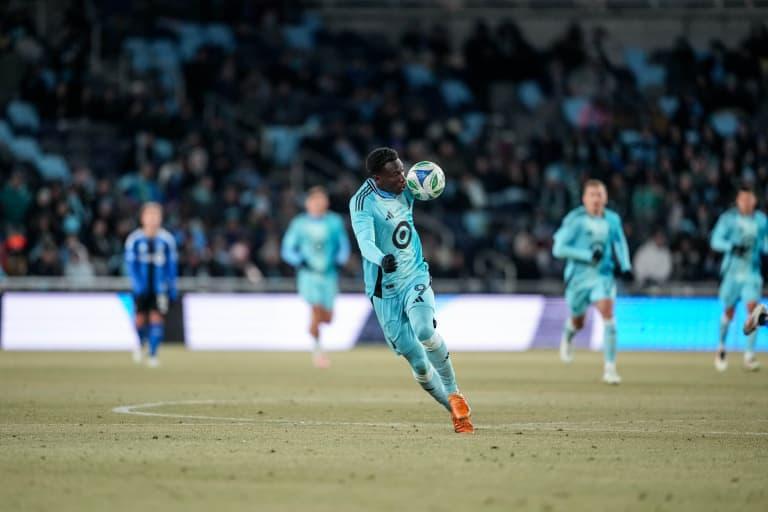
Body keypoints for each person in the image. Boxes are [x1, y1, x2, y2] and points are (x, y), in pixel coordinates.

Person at [349, 147, 473, 434]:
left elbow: (427, 183)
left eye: (402, 170)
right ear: (378, 179)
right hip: (384, 289)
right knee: (416, 360)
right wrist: (382, 258)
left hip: (414, 274)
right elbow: (365, 242)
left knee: (425, 331)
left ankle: (455, 393)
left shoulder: (408, 186)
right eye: (395, 175)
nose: (403, 178)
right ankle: (453, 411)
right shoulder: (362, 202)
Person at [553, 179, 631, 384]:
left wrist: (626, 266)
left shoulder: (612, 220)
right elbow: (558, 249)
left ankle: (610, 368)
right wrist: (587, 255)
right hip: (578, 279)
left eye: (600, 195)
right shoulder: (575, 220)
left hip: (603, 277)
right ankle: (569, 334)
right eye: (592, 195)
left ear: (605, 198)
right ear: (584, 199)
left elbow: (620, 242)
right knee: (579, 321)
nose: (596, 199)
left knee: (608, 313)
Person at [281, 186, 350, 368]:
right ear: (308, 203)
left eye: (322, 200)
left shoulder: (334, 222)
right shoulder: (299, 223)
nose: (319, 204)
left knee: (327, 318)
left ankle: (314, 330)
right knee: (316, 309)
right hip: (309, 275)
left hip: (329, 275)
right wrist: (299, 261)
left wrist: (340, 260)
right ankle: (319, 352)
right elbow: (287, 248)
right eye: (315, 201)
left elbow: (343, 245)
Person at [710, 185, 767, 371]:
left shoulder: (761, 220)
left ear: (755, 201)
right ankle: (721, 347)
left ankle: (749, 355)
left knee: (754, 309)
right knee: (729, 312)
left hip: (752, 272)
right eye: (742, 199)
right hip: (732, 273)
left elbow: (765, 244)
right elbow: (715, 240)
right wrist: (731, 246)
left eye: (749, 199)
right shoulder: (728, 219)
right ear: (737, 201)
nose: (745, 203)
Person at [124, 202, 178, 367]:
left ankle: (153, 355)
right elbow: (130, 265)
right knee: (139, 319)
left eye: (156, 216)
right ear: (143, 218)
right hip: (141, 287)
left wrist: (172, 285)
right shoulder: (134, 239)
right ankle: (141, 344)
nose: (153, 219)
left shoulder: (167, 240)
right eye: (149, 215)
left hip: (159, 287)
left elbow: (171, 266)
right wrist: (136, 283)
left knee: (156, 317)